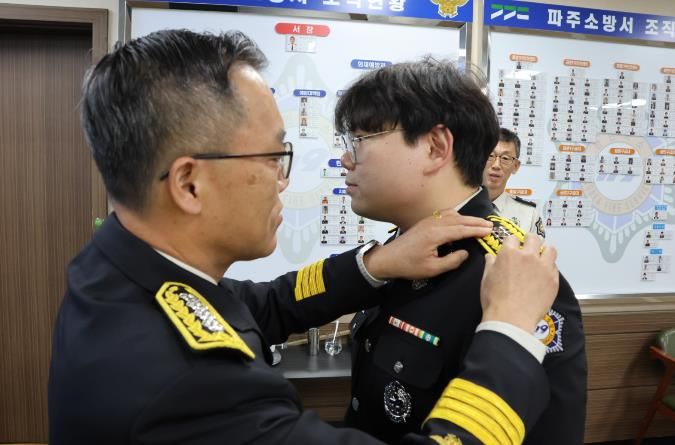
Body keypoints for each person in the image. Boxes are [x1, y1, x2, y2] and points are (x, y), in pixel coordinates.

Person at [48, 30, 560, 445]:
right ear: (189, 184)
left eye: (360, 140)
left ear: (435, 147)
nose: (284, 178)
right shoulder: (191, 384)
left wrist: (374, 264)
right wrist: (509, 336)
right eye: (273, 157)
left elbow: (265, 304)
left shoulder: (114, 270)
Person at [335, 58, 586, 444]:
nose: (346, 159)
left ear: (435, 147)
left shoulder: (511, 274)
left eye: (359, 140)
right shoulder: (398, 249)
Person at [483, 128, 545, 237]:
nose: (496, 165)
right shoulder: (457, 205)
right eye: (490, 156)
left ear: (515, 166)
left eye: (505, 158)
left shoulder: (529, 214)